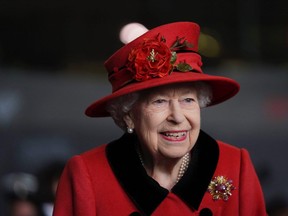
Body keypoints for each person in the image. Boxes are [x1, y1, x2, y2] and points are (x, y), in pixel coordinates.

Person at [53, 21, 267, 215]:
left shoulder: (235, 165)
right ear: (128, 116)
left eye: (188, 100)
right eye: (159, 101)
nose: (177, 117)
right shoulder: (88, 174)